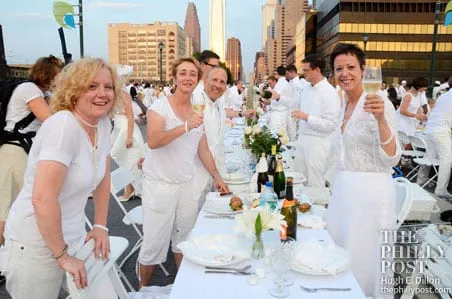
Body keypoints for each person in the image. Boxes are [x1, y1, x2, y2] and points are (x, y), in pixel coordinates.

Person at [3, 58, 121, 298]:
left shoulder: (103, 124)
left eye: (108, 87)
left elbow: (103, 176)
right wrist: (62, 256)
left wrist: (100, 225)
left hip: (73, 233)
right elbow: (42, 199)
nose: (102, 94)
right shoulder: (63, 126)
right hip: (36, 240)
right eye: (91, 86)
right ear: (73, 90)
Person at [138, 57, 228, 288]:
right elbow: (154, 140)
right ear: (175, 77)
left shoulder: (198, 108)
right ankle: (142, 290)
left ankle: (183, 288)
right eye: (183, 73)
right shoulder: (160, 106)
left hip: (186, 183)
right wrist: (186, 126)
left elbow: (203, 148)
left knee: (184, 239)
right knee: (153, 244)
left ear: (197, 79)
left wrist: (217, 177)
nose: (188, 78)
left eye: (192, 74)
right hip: (160, 185)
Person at [325, 43, 401, 298]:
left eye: (350, 67)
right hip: (343, 193)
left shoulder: (379, 104)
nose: (344, 73)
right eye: (338, 69)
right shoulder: (343, 105)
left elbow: (393, 157)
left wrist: (380, 120)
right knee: (340, 252)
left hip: (371, 196)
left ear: (363, 70)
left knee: (365, 261)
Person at [0, 55, 63, 246]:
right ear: (49, 75)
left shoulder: (40, 92)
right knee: (5, 210)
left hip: (23, 152)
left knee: (18, 205)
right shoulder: (29, 89)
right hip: (15, 153)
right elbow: (51, 119)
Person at [291, 54, 340, 187]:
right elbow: (293, 104)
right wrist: (277, 97)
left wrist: (307, 118)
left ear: (317, 70)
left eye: (306, 70)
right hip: (302, 140)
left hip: (318, 144)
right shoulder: (306, 88)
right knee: (299, 180)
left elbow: (331, 124)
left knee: (315, 183)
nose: (303, 73)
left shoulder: (329, 92)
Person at [193, 67, 231, 210]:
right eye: (214, 80)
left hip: (214, 171)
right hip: (196, 173)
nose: (218, 85)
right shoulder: (196, 101)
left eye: (222, 82)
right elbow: (200, 145)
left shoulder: (219, 104)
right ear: (205, 80)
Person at [111, 66, 146, 201]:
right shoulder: (115, 94)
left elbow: (130, 117)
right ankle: (129, 188)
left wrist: (130, 137)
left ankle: (130, 189)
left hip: (126, 129)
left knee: (128, 159)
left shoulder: (124, 95)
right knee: (125, 160)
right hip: (119, 128)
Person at [416, 77, 452, 199]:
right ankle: (441, 190)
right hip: (441, 130)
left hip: (430, 129)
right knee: (447, 160)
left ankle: (420, 181)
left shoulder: (444, 96)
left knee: (428, 156)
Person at [269, 66, 293, 135]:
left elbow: (276, 98)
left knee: (277, 135)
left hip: (279, 113)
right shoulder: (284, 83)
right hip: (280, 112)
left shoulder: (281, 84)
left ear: (276, 73)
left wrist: (269, 101)